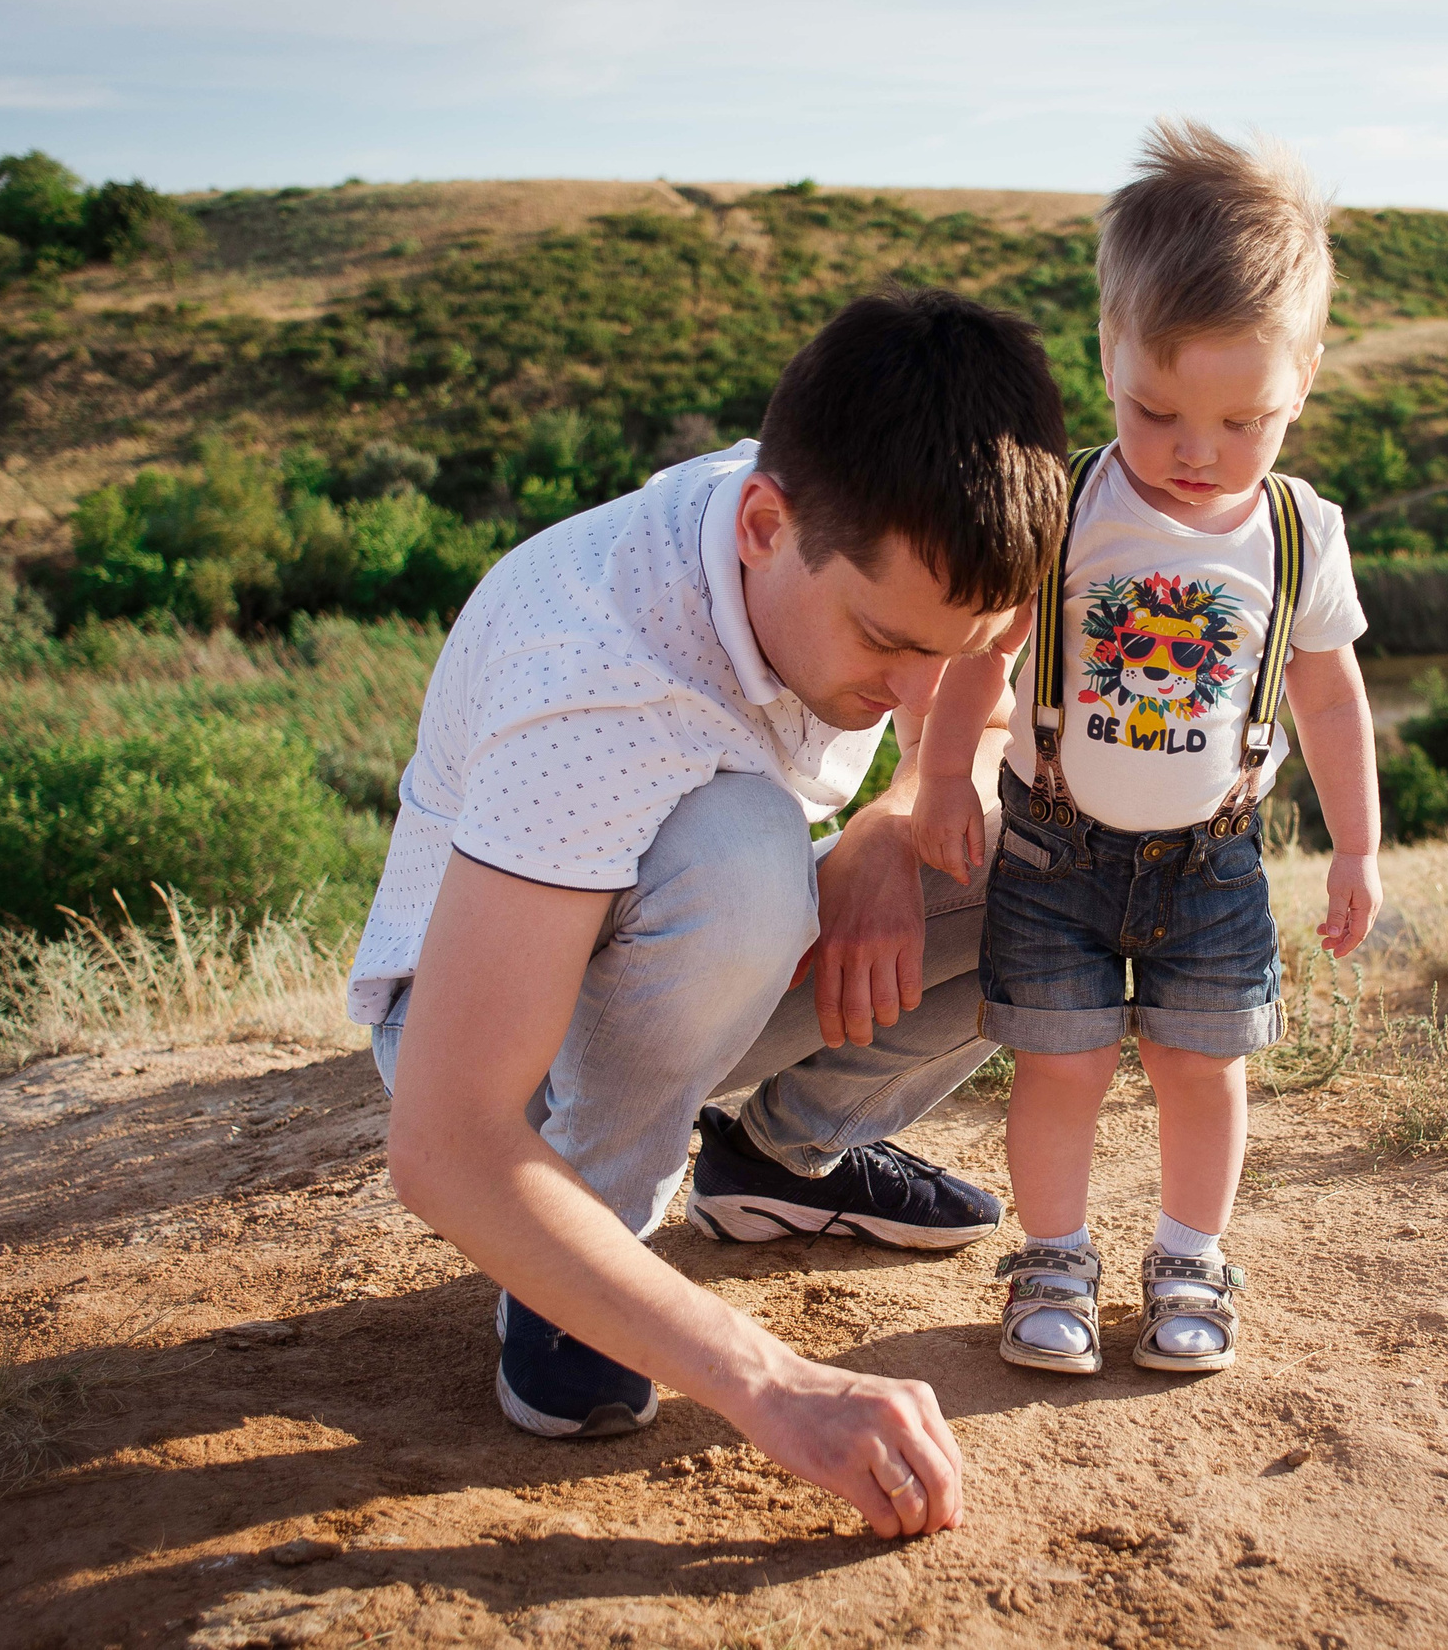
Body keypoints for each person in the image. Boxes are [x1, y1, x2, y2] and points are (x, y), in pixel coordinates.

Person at [351, 287, 1071, 1539]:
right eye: (886, 643)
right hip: (492, 1040)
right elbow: (445, 1136)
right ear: (760, 522)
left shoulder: (870, 530)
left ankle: (776, 1159)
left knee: (1066, 859)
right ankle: (585, 1237)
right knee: (742, 858)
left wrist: (895, 820)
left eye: (959, 647)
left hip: (685, 949)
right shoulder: (595, 682)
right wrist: (773, 1384)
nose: (921, 687)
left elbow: (973, 688)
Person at [910, 120, 1382, 1377]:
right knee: (1057, 1072)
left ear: (1305, 378)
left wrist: (1357, 847)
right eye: (1154, 407)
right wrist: (949, 771)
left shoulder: (1297, 532)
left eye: (1243, 420)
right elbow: (976, 652)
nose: (1193, 451)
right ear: (1106, 350)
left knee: (1200, 1068)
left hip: (1214, 858)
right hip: (1056, 850)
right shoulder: (1065, 502)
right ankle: (1053, 1258)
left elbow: (1329, 700)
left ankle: (1190, 1257)